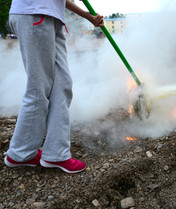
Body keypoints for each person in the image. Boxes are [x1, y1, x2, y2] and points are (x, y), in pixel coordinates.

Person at [4, 0, 104, 173]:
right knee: (38, 89)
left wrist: (88, 16)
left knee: (63, 85)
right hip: (34, 14)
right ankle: (20, 154)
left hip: (50, 18)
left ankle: (56, 154)